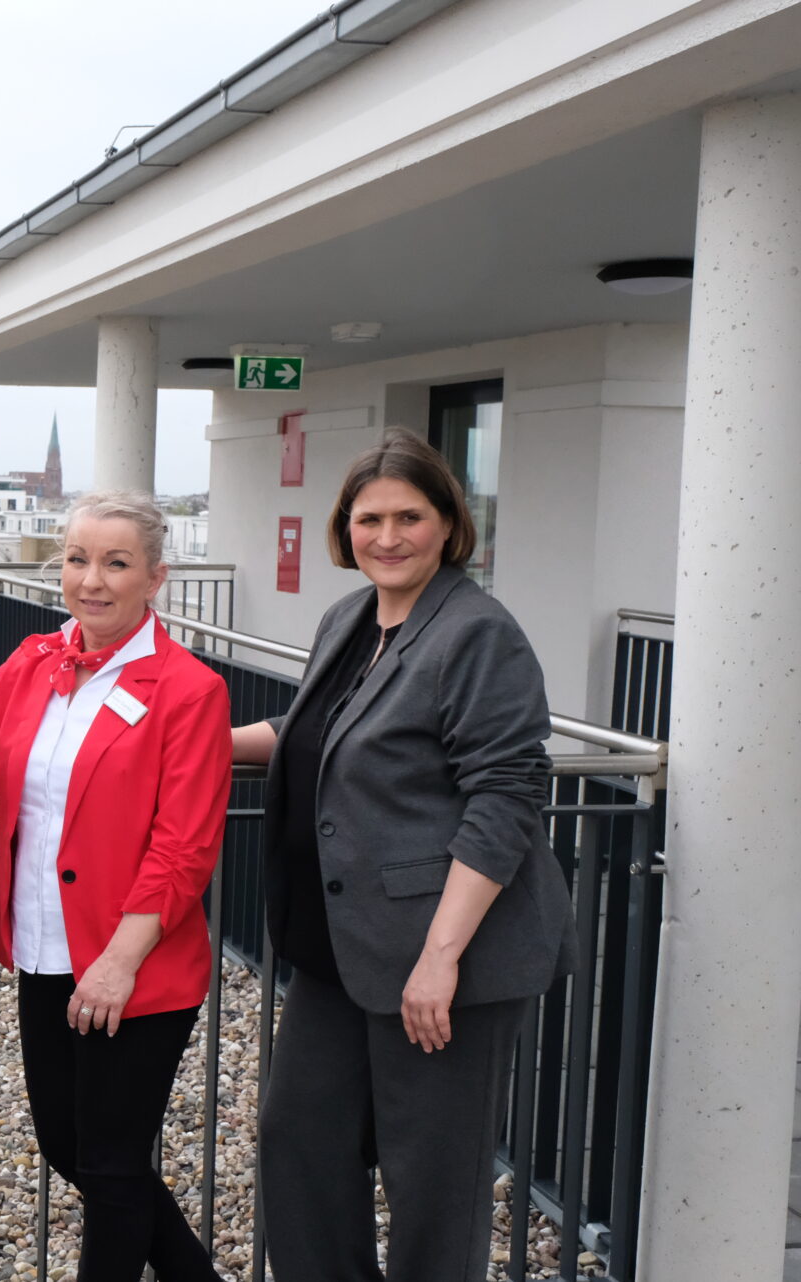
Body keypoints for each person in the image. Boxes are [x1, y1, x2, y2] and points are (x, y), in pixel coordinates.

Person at [233, 429, 575, 1281]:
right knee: (298, 1139)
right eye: (368, 517)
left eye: (409, 517)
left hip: (445, 957)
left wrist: (440, 958)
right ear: (345, 526)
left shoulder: (477, 635)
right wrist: (192, 742)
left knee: (432, 1180)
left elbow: (505, 800)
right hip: (342, 951)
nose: (387, 536)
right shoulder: (348, 619)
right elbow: (311, 732)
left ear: (450, 524)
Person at [0, 491, 229, 1282]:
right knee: (69, 1147)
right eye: (77, 558)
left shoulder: (190, 689)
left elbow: (184, 848)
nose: (91, 580)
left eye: (115, 563)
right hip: (42, 948)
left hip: (134, 968)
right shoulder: (34, 660)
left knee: (109, 1162)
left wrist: (118, 960)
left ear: (156, 578)